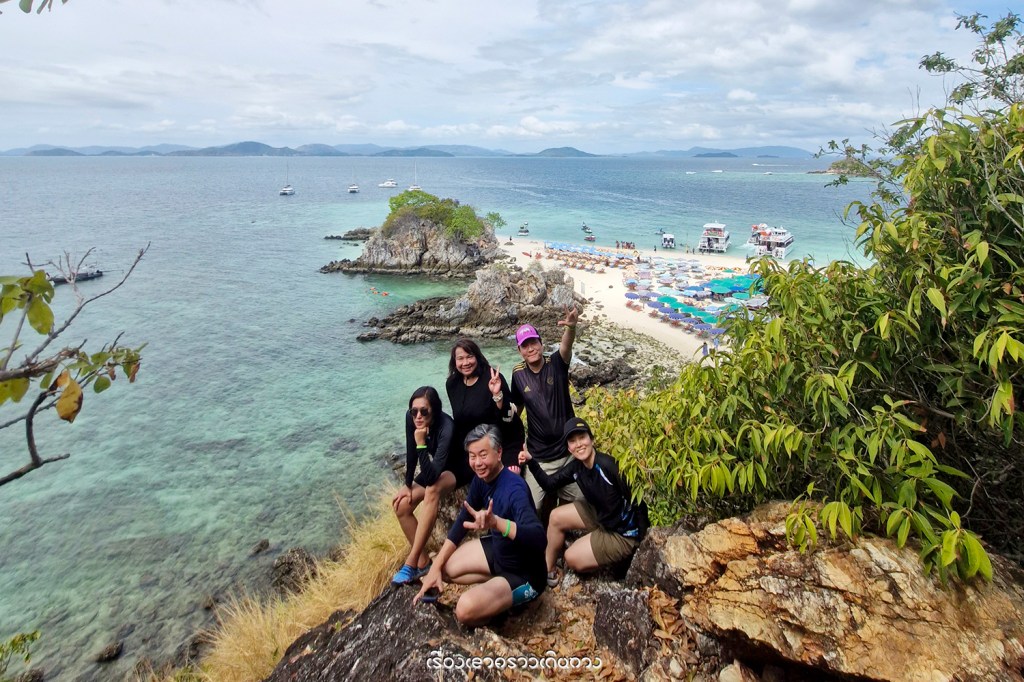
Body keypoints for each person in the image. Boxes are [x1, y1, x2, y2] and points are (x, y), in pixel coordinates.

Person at [413, 425, 547, 626]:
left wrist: (497, 523)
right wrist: (435, 567)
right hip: (501, 554)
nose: (477, 463)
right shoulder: (481, 479)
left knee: (465, 610)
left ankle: (505, 599)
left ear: (499, 452)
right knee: (444, 568)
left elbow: (539, 538)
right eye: (472, 456)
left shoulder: (515, 489)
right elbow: (461, 522)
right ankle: (496, 587)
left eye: (483, 455)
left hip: (526, 575)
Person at [519, 417, 648, 586]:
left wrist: (642, 541)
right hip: (600, 514)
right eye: (572, 441)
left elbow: (638, 502)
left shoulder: (608, 466)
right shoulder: (577, 467)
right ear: (568, 448)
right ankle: (547, 570)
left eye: (582, 438)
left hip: (621, 533)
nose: (579, 444)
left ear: (591, 439)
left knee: (571, 558)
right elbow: (549, 484)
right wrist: (531, 461)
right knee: (556, 516)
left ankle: (606, 560)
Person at [391, 386, 471, 584]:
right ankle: (423, 562)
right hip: (436, 467)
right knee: (401, 506)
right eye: (414, 411)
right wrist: (408, 484)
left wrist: (421, 443)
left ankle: (410, 563)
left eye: (424, 411)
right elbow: (411, 453)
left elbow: (432, 478)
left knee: (433, 490)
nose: (418, 416)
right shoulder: (411, 419)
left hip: (458, 468)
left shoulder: (446, 427)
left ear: (434, 410)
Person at [508, 307, 584, 511]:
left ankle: (560, 524)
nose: (531, 348)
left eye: (534, 342)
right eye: (525, 345)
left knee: (582, 502)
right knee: (531, 507)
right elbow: (517, 408)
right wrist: (509, 436)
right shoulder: (518, 374)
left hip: (568, 453)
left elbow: (566, 346)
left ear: (541, 344)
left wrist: (571, 328)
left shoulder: (556, 363)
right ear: (519, 351)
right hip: (539, 457)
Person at [445, 338, 525, 474]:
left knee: (510, 477)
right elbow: (459, 422)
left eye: (470, 356)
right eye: (460, 358)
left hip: (503, 443)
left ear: (477, 357)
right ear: (454, 361)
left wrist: (497, 395)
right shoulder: (452, 384)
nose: (465, 363)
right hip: (473, 447)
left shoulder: (493, 379)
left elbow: (509, 417)